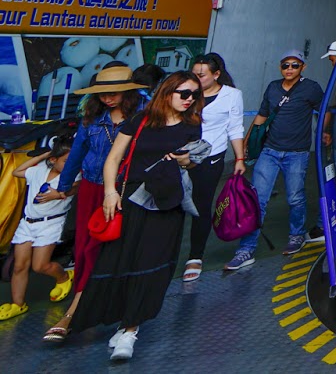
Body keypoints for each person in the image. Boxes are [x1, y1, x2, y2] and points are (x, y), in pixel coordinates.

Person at [73, 73, 206, 361]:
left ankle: (130, 331)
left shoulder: (192, 125)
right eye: (184, 93)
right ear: (167, 92)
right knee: (121, 261)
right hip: (132, 200)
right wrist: (110, 192)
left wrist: (187, 161)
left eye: (195, 94)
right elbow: (113, 158)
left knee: (151, 266)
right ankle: (122, 323)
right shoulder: (141, 120)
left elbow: (191, 163)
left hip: (166, 203)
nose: (189, 99)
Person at [44, 63, 144, 343]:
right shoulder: (92, 117)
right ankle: (77, 309)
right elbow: (77, 152)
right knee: (86, 248)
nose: (108, 98)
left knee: (114, 250)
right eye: (102, 93)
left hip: (123, 191)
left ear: (127, 91)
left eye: (114, 93)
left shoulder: (142, 116)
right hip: (91, 189)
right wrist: (64, 186)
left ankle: (85, 311)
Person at [226, 50, 323, 271]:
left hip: (297, 153)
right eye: (285, 65)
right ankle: (246, 249)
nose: (289, 69)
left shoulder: (311, 88)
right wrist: (248, 142)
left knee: (295, 198)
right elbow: (261, 116)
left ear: (303, 67)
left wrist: (324, 132)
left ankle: (297, 235)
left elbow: (324, 111)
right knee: (257, 200)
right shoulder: (272, 87)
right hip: (269, 151)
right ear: (280, 67)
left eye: (295, 65)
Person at [183, 53, 246, 282]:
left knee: (201, 206)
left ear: (216, 74)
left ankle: (195, 256)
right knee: (173, 205)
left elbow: (235, 127)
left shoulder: (232, 95)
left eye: (201, 75)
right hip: (181, 156)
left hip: (210, 158)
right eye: (194, 74)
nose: (196, 79)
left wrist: (239, 158)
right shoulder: (186, 92)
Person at [0, 137, 74, 321]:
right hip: (27, 223)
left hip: (50, 223)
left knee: (40, 266)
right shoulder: (39, 170)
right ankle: (18, 304)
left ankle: (64, 277)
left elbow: (77, 188)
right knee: (19, 266)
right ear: (53, 160)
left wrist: (59, 194)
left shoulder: (73, 175)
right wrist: (43, 156)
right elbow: (17, 172)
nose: (70, 164)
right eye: (66, 160)